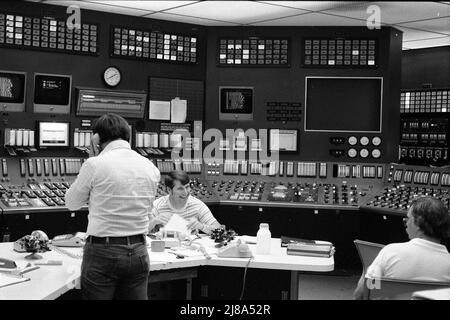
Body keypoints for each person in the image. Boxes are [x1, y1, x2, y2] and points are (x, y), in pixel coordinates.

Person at [65, 113, 160, 300]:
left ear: (96, 139)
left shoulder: (94, 164)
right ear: (128, 136)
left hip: (103, 252)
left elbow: (72, 203)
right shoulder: (151, 167)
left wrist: (91, 158)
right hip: (139, 250)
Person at [354, 196, 450, 299]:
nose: (406, 224)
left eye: (408, 219)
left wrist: (367, 271)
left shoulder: (390, 252)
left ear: (418, 223)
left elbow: (363, 294)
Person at [148, 170, 221, 236]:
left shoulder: (198, 205)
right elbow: (140, 232)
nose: (185, 192)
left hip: (190, 247)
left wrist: (201, 226)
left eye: (187, 187)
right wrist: (154, 221)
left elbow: (220, 229)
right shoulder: (157, 205)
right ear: (169, 190)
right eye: (180, 189)